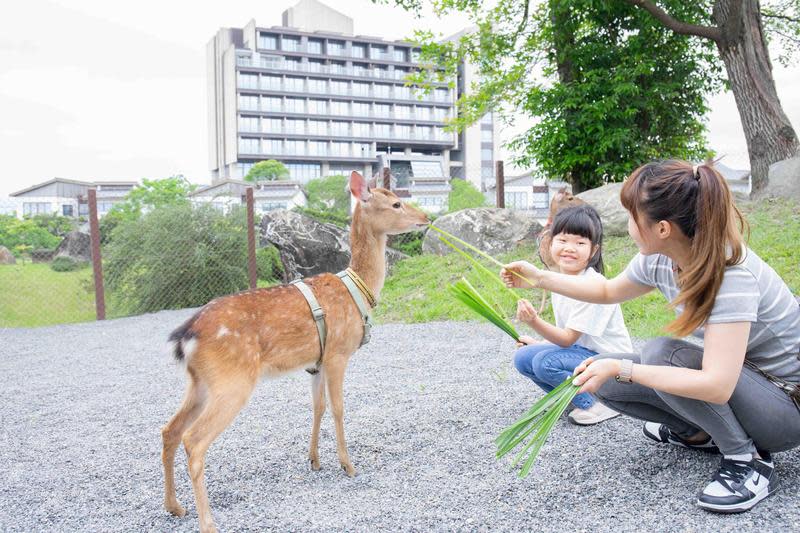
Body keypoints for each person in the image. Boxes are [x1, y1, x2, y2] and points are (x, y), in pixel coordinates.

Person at [501, 160, 800, 513]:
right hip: (747, 387)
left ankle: (747, 461)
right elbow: (608, 291)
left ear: (661, 228)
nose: (627, 225)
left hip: (785, 407)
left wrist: (624, 368)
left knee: (659, 354)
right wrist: (539, 278)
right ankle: (699, 434)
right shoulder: (661, 258)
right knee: (603, 375)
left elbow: (717, 385)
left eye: (631, 215)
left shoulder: (731, 275)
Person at [512, 204, 632, 425]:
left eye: (580, 243)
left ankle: (598, 404)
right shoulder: (559, 281)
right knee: (523, 358)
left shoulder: (592, 284)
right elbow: (566, 338)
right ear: (550, 242)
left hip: (609, 365)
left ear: (593, 250)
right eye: (563, 240)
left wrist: (533, 321)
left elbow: (567, 339)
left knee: (545, 363)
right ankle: (567, 399)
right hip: (582, 354)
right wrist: (538, 342)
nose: (570, 248)